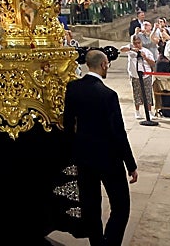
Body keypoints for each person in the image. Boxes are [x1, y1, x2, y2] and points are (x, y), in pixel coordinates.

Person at [63, 49, 138, 246]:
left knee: (91, 205)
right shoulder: (108, 95)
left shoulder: (72, 88)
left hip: (84, 157)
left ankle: (97, 243)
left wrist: (74, 153)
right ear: (104, 64)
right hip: (109, 158)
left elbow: (68, 124)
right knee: (121, 206)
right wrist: (130, 164)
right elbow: (118, 132)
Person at [119, 33, 156, 121]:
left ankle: (149, 112)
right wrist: (132, 48)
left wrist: (145, 57)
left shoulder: (146, 51)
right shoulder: (130, 50)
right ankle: (137, 111)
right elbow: (121, 49)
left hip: (146, 75)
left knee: (147, 93)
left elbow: (153, 63)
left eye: (139, 43)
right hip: (134, 75)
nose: (137, 45)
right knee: (137, 93)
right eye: (135, 43)